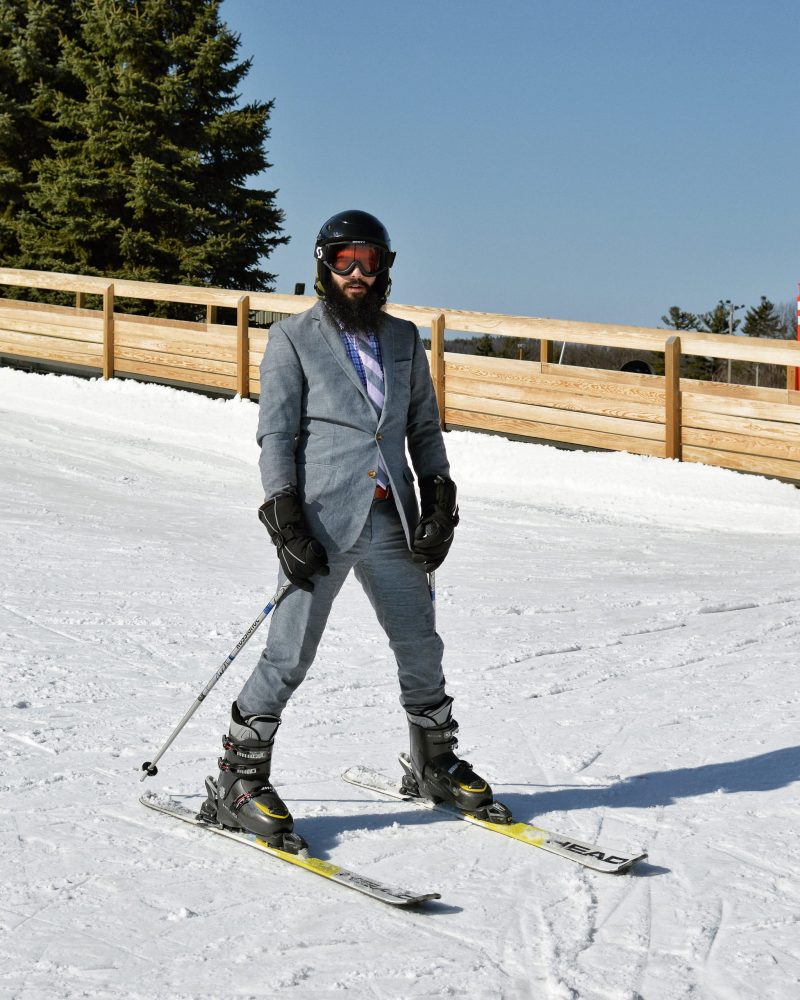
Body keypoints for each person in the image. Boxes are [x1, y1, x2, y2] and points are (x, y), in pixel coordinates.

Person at [201, 210, 504, 850]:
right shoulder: (291, 339)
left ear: (385, 267)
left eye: (369, 260)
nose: (358, 273)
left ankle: (434, 763)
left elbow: (422, 429)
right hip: (319, 522)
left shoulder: (402, 340)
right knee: (290, 653)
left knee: (420, 644)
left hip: (391, 514)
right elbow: (276, 434)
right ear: (323, 265)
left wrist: (440, 498)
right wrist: (283, 512)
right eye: (345, 260)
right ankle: (239, 776)